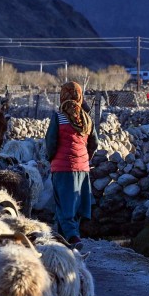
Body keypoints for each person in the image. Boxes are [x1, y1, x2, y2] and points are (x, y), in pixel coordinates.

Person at [44, 81, 98, 250]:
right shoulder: (87, 118)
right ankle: (65, 241)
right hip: (83, 168)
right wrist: (85, 158)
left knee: (63, 205)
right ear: (79, 96)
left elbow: (51, 142)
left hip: (63, 169)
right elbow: (94, 143)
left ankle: (73, 239)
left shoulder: (58, 117)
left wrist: (51, 158)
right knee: (76, 206)